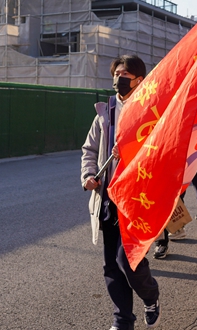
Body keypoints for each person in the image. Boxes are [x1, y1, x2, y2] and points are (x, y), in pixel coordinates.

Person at [80, 55, 161, 330]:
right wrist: (89, 175)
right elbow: (89, 149)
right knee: (111, 266)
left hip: (138, 198)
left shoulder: (153, 111)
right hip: (108, 198)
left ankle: (150, 295)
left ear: (140, 79)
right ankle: (122, 320)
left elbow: (162, 151)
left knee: (127, 261)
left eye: (124, 74)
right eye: (116, 73)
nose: (118, 79)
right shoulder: (107, 111)